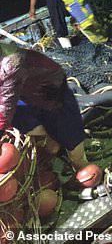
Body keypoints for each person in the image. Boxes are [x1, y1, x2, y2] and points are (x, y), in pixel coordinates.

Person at [0, 42, 100, 181]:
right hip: (25, 94)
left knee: (70, 136)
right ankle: (54, 142)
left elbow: (6, 104)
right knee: (22, 121)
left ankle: (80, 167)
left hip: (51, 93)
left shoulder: (9, 64)